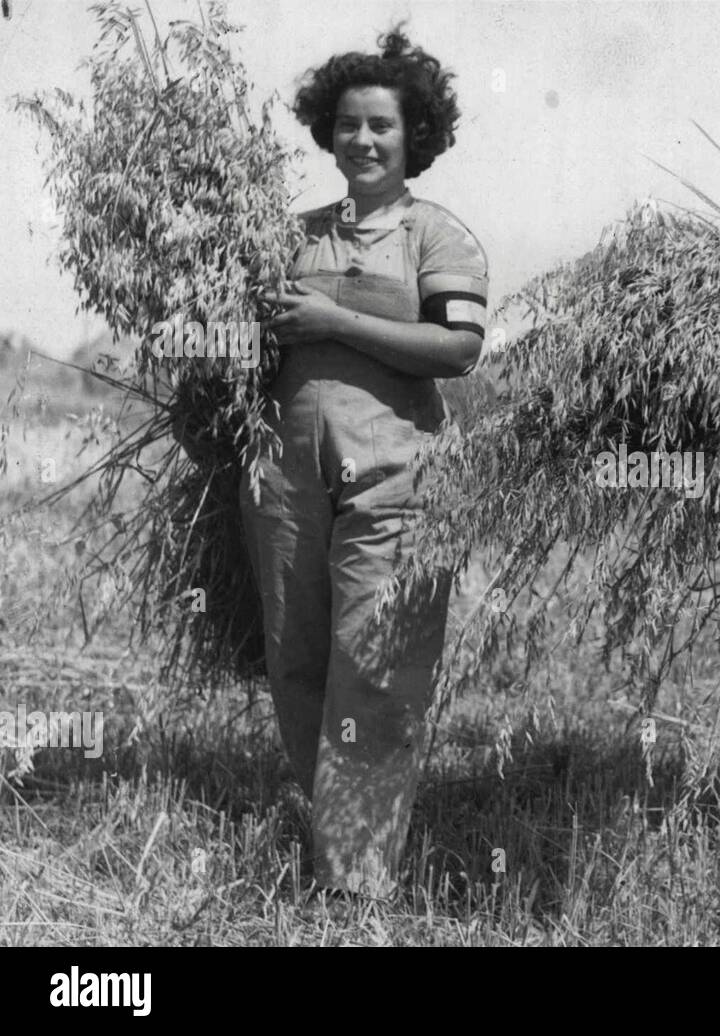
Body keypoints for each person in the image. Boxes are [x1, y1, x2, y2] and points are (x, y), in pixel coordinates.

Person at [241, 28, 489, 900]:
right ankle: (335, 840)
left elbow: (459, 349)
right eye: (348, 125)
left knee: (375, 662)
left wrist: (336, 324)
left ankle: (356, 883)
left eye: (382, 125)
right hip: (286, 476)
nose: (364, 141)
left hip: (396, 476)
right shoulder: (289, 235)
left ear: (413, 134)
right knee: (298, 657)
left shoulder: (438, 237)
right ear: (328, 132)